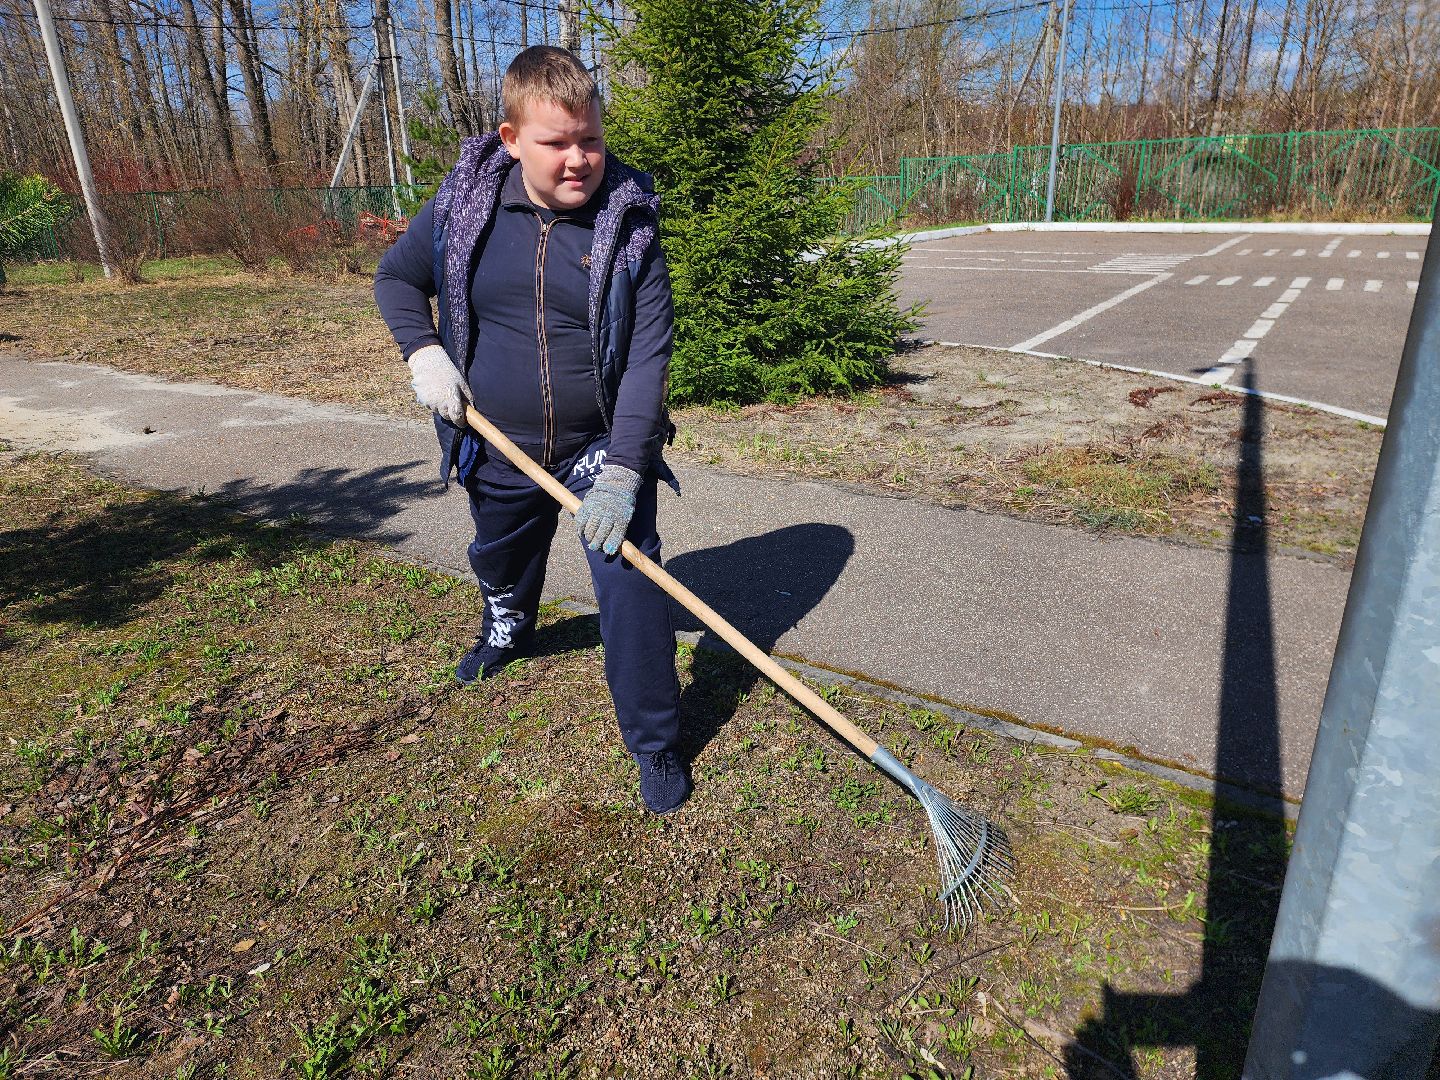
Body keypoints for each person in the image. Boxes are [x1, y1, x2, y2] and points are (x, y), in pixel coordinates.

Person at [373, 46, 690, 814]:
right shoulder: (463, 205)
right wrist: (423, 353)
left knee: (630, 577)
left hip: (597, 448)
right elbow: (397, 278)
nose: (578, 159)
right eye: (556, 143)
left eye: (590, 138)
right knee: (501, 553)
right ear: (511, 138)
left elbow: (648, 361)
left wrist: (622, 472)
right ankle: (508, 624)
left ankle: (655, 743)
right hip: (496, 438)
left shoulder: (630, 225)